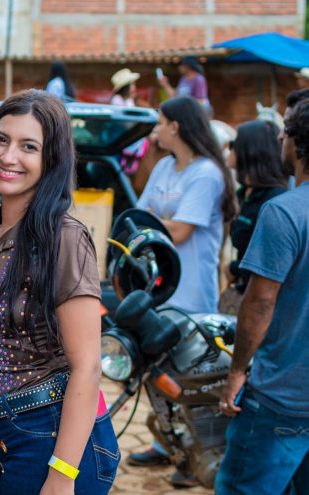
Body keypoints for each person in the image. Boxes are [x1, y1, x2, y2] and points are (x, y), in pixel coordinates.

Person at [0, 89, 119, 495]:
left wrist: (62, 476)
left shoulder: (63, 238)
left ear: (52, 160)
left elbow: (87, 367)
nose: (8, 157)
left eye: (29, 146)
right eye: (1, 139)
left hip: (50, 437)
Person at [128, 96, 236, 487]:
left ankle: (197, 453)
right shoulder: (163, 167)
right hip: (156, 290)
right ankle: (169, 443)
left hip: (190, 293)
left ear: (176, 126)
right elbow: (140, 218)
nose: (154, 131)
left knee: (189, 376)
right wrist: (157, 222)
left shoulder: (206, 173)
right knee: (156, 371)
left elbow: (182, 229)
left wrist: (154, 222)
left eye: (159, 123)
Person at [215, 99, 309, 495]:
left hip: (280, 399)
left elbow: (260, 302)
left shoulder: (284, 211)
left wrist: (237, 370)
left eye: (284, 133)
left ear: (297, 143)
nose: (281, 141)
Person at [225, 121, 287, 294]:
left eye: (234, 144)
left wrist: (235, 268)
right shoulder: (243, 194)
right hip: (243, 291)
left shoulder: (275, 200)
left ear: (249, 151)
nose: (229, 148)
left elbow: (270, 261)